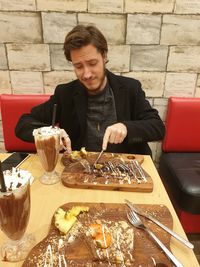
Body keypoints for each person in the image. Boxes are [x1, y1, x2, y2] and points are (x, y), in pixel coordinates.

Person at [15, 24, 165, 156]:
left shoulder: (130, 88)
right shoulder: (65, 93)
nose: (86, 74)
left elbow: (157, 127)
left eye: (92, 63)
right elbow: (24, 124)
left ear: (104, 56)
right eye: (78, 66)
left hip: (125, 170)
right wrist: (49, 134)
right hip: (80, 171)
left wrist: (126, 127)